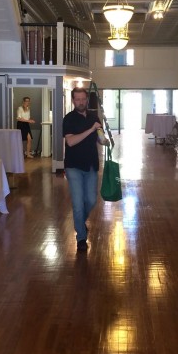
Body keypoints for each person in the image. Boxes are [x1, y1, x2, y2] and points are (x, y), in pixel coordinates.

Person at [63, 87, 108, 252]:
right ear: (73, 100)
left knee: (90, 200)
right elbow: (71, 142)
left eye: (83, 99)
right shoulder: (68, 119)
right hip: (73, 166)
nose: (81, 102)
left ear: (86, 100)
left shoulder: (94, 117)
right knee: (77, 204)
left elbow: (99, 137)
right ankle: (81, 237)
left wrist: (104, 140)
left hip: (91, 165)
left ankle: (80, 222)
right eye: (78, 99)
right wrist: (90, 129)